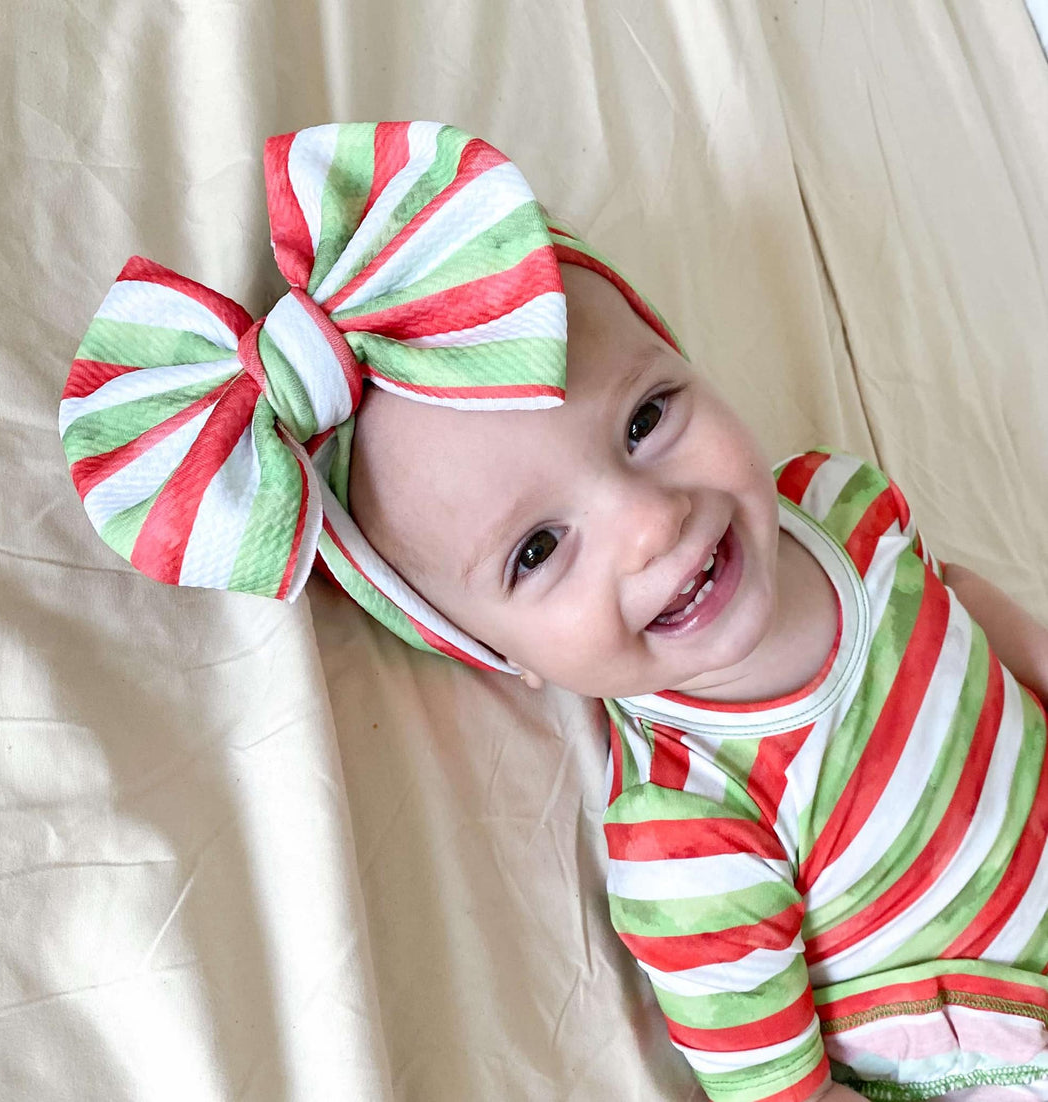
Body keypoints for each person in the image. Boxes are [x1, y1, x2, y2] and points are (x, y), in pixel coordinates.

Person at [60, 121, 1048, 1101]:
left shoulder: (839, 500)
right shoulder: (691, 826)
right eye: (537, 549)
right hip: (994, 1035)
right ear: (495, 651)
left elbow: (956, 602)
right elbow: (781, 1092)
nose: (650, 524)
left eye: (646, 417)